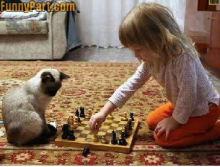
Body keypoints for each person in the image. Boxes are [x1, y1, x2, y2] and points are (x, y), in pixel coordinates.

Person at [89, 3, 220, 148]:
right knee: (152, 121)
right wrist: (104, 112)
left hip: (204, 109)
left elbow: (189, 94)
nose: (135, 55)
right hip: (183, 104)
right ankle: (182, 117)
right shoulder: (152, 59)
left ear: (158, 41)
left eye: (138, 49)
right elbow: (131, 85)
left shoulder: (183, 57)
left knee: (164, 139)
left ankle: (215, 130)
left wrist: (175, 120)